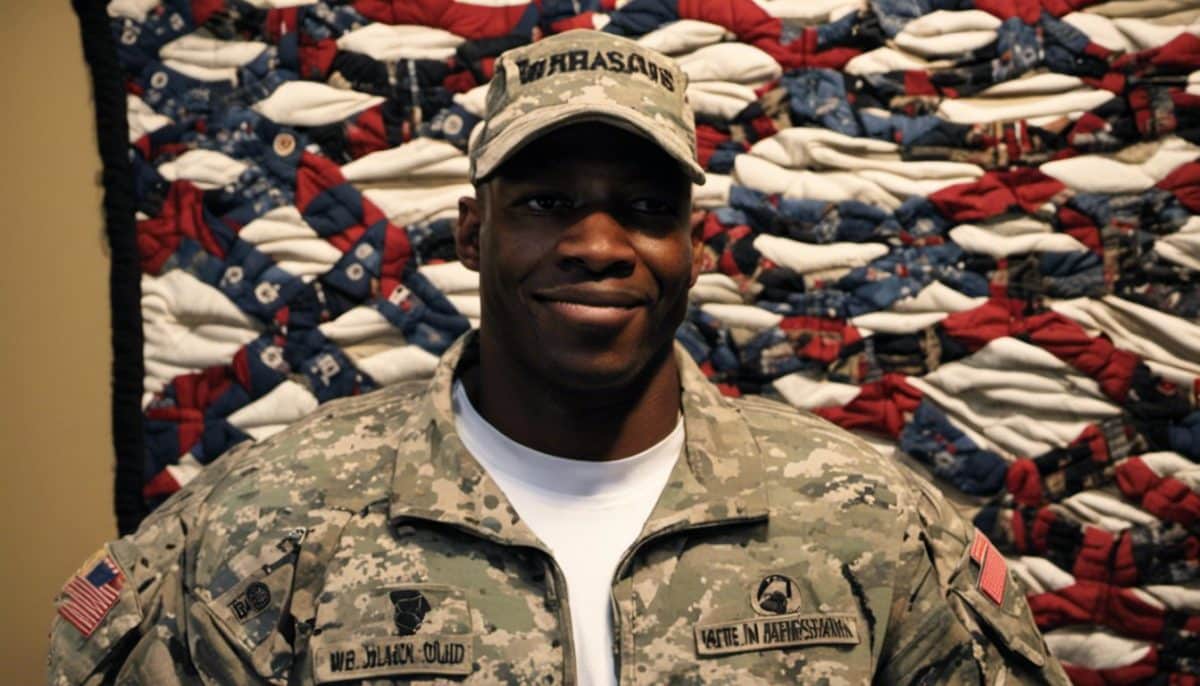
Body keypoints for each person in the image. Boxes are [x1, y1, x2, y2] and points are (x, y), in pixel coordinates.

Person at [48, 30, 1069, 685]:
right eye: (544, 203)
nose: (596, 243)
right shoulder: (264, 521)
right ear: (468, 233)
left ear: (694, 248)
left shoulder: (863, 514)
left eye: (643, 208)